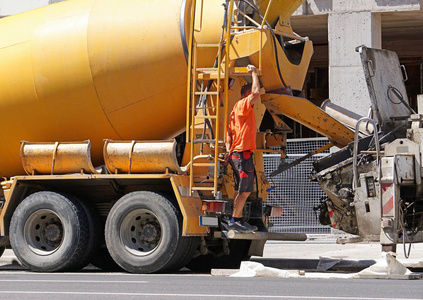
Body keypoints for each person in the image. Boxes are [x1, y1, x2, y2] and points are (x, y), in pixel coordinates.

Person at [223, 64, 260, 233]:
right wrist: (254, 73)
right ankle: (235, 220)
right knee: (245, 190)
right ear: (247, 94)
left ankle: (236, 219)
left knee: (243, 190)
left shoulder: (234, 111)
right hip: (242, 154)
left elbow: (229, 134)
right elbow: (256, 93)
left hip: (238, 153)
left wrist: (228, 150)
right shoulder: (243, 105)